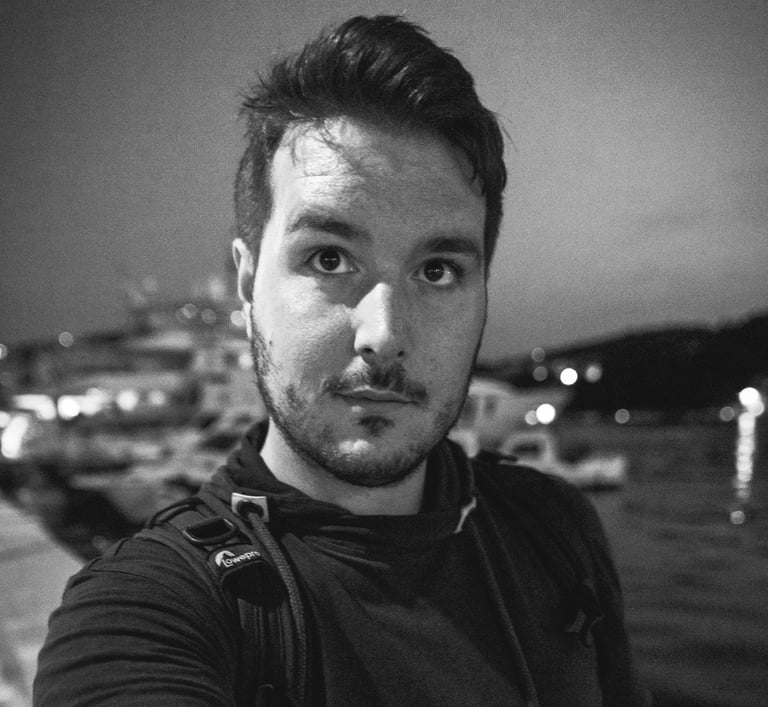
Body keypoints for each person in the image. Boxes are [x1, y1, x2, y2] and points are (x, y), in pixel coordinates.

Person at [34, 15, 650, 707]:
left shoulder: (554, 528)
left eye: (439, 270)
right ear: (247, 284)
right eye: (329, 258)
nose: (383, 335)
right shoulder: (153, 607)